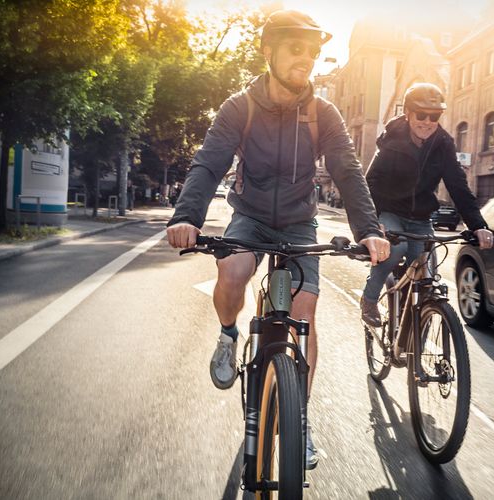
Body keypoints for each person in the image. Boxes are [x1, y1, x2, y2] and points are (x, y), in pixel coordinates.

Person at [165, 9, 390, 468]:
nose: (305, 58)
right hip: (249, 217)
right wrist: (186, 216)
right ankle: (229, 335)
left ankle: (300, 421)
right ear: (268, 51)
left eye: (312, 51)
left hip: (299, 224)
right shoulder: (239, 107)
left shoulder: (323, 113)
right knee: (232, 271)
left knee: (304, 313)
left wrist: (368, 229)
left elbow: (347, 170)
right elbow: (209, 163)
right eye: (295, 49)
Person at [360, 82, 494, 326]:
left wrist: (477, 225)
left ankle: (415, 323)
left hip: (421, 217)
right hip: (390, 210)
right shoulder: (392, 140)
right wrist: (372, 224)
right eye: (421, 114)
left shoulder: (443, 144)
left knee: (426, 271)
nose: (427, 121)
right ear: (409, 114)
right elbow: (371, 183)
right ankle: (369, 299)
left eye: (434, 116)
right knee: (393, 249)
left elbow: (458, 186)